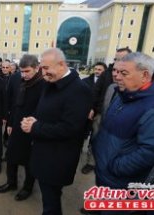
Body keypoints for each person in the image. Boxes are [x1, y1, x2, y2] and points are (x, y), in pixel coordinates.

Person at [21, 48, 92, 215]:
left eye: (46, 68)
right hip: (45, 151)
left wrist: (35, 127)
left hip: (58, 158)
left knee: (51, 201)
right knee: (49, 197)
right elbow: (46, 111)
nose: (43, 73)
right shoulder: (51, 82)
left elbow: (70, 128)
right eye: (41, 68)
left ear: (61, 64)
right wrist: (34, 119)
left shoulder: (79, 90)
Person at [92, 52, 154, 215]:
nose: (116, 77)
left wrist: (115, 167)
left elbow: (149, 152)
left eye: (123, 73)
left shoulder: (151, 107)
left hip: (122, 184)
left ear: (145, 75)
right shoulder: (121, 94)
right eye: (116, 71)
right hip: (104, 175)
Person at [0, 55, 45, 201]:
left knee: (30, 162)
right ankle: (11, 183)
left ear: (37, 68)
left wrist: (35, 125)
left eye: (27, 71)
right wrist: (10, 123)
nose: (24, 75)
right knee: (11, 157)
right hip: (16, 125)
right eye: (22, 71)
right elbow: (13, 104)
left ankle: (27, 188)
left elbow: (45, 108)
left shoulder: (44, 84)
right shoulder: (16, 78)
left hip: (33, 128)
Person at [81, 62, 107, 174]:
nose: (97, 71)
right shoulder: (85, 81)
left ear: (105, 71)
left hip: (98, 115)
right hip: (84, 115)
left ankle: (90, 162)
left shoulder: (108, 84)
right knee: (81, 135)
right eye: (96, 69)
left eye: (100, 69)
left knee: (94, 139)